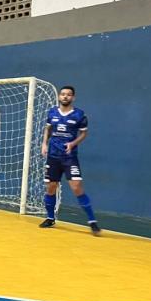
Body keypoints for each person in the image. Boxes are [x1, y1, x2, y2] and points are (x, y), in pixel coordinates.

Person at [40, 85, 101, 234]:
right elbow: (48, 129)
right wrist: (44, 144)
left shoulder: (79, 115)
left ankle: (92, 221)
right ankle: (50, 218)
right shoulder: (52, 112)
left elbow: (84, 133)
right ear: (59, 97)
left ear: (73, 97)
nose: (65, 96)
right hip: (53, 156)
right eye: (63, 94)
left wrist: (73, 143)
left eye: (68, 95)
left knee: (77, 187)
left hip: (69, 157)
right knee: (51, 187)